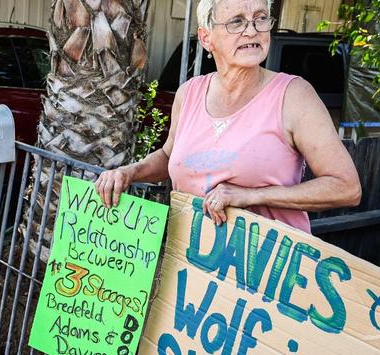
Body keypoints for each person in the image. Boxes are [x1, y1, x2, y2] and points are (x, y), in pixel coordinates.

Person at [95, 0, 360, 233]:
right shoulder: (189, 94)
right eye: (237, 21)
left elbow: (346, 188)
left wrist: (250, 196)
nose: (251, 30)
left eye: (260, 18)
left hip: (267, 275)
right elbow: (168, 156)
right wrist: (130, 172)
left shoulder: (293, 95)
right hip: (191, 268)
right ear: (207, 37)